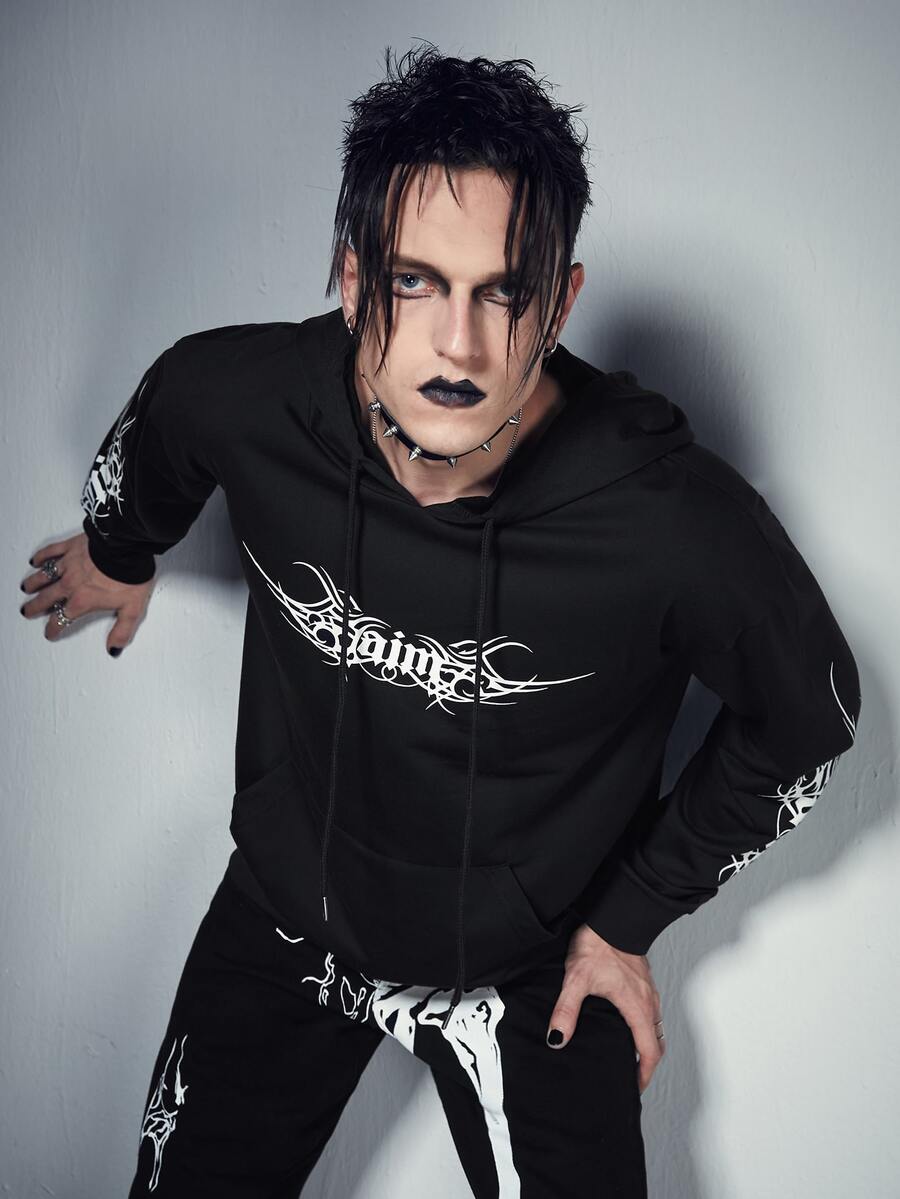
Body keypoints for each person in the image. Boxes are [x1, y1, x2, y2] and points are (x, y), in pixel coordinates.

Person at [20, 43, 861, 1199]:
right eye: (416, 282)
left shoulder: (667, 519)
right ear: (353, 278)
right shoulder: (253, 399)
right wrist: (120, 545)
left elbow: (810, 715)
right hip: (284, 920)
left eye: (503, 291)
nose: (458, 346)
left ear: (560, 299)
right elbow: (167, 420)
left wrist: (629, 916)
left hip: (527, 965)